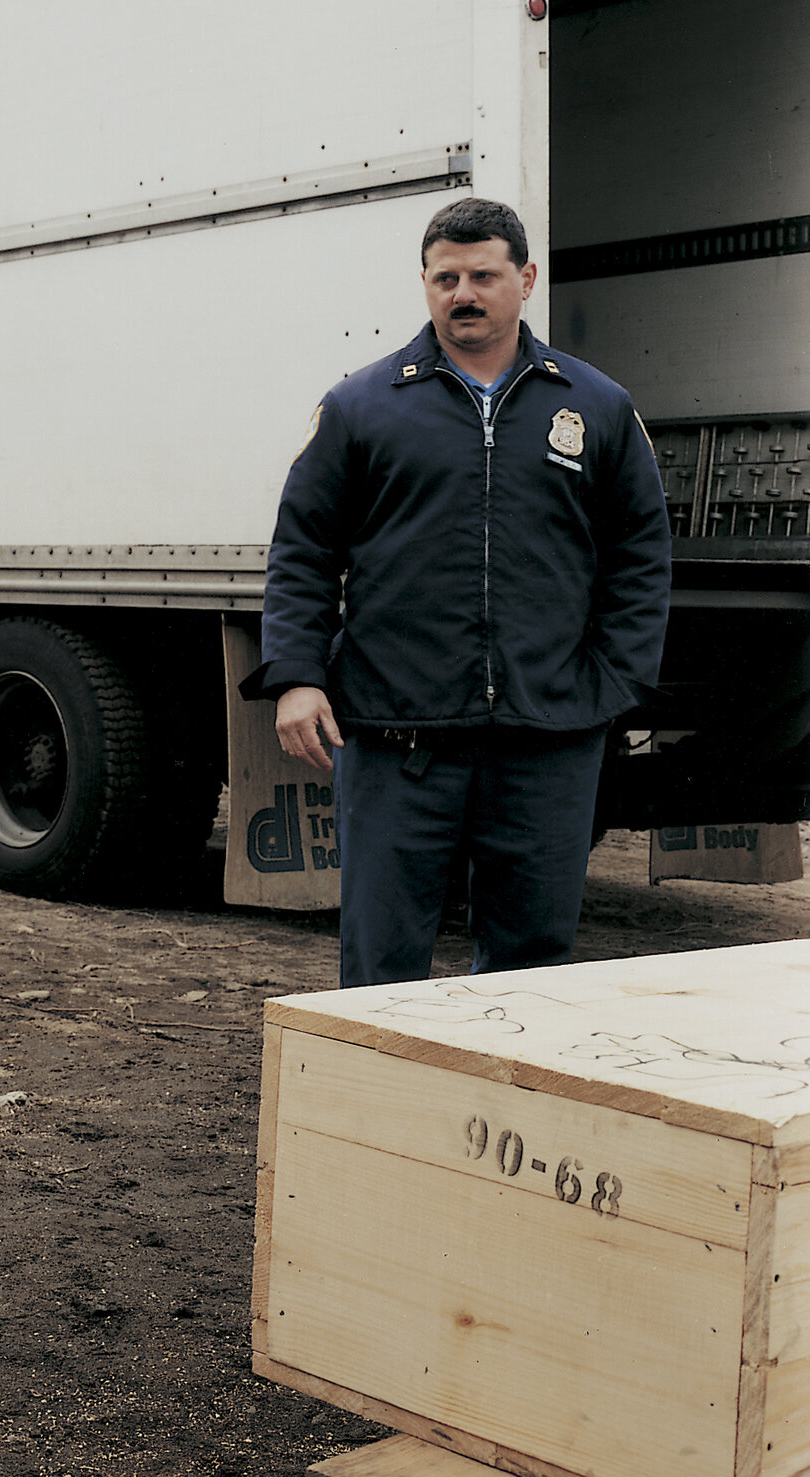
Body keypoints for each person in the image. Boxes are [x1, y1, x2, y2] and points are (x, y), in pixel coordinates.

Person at [245, 195, 671, 988]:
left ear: (526, 279)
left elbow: (640, 554)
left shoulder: (596, 407)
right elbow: (303, 549)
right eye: (445, 278)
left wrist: (612, 683)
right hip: (396, 737)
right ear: (425, 282)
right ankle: (379, 1114)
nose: (463, 293)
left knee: (534, 967)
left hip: (547, 739)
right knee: (381, 963)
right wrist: (298, 676)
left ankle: (508, 1113)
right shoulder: (362, 407)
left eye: (483, 274)